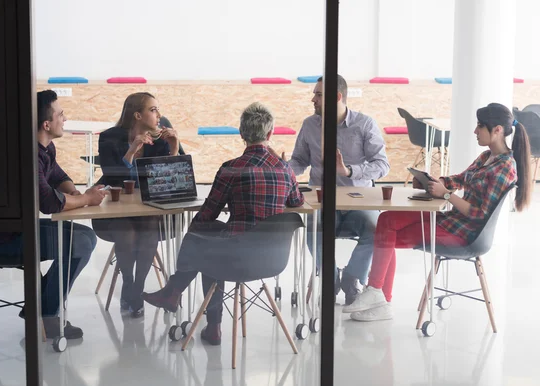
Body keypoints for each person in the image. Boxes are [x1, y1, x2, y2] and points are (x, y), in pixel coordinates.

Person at [344, 103, 532, 321]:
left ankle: (377, 293)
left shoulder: (505, 168)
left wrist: (445, 195)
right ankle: (379, 296)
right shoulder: (485, 157)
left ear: (497, 130)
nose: (475, 131)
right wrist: (435, 182)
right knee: (387, 219)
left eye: (480, 126)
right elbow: (460, 179)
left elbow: (479, 214)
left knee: (387, 233)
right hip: (452, 220)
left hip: (466, 234)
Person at [142, 102, 304, 345]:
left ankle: (207, 319)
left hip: (235, 257)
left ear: (241, 134)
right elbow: (296, 201)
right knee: (211, 241)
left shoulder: (231, 169)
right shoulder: (285, 169)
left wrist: (191, 235)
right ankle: (174, 293)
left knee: (206, 240)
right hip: (272, 258)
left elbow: (208, 214)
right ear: (270, 134)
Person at [0, 90, 106, 339]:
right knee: (80, 242)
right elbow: (49, 203)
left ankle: (39, 310)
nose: (65, 119)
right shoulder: (27, 155)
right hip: (2, 239)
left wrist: (75, 192)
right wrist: (86, 200)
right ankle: (47, 315)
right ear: (46, 124)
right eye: (61, 114)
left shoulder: (43, 147)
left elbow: (57, 176)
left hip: (19, 226)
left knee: (87, 238)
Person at [287, 75, 390, 305]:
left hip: (359, 203)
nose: (313, 99)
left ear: (337, 97)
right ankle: (330, 279)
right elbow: (300, 161)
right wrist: (283, 169)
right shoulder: (309, 125)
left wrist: (349, 172)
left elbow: (382, 165)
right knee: (314, 228)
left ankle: (352, 279)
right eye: (315, 93)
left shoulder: (364, 124)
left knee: (377, 230)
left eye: (319, 94)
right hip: (324, 202)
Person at [92, 92, 183, 317]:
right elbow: (112, 177)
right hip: (118, 209)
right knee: (128, 232)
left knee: (149, 225)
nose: (159, 115)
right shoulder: (109, 138)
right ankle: (129, 282)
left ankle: (137, 287)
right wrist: (131, 150)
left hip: (149, 209)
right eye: (153, 110)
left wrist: (174, 149)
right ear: (137, 115)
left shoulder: (161, 139)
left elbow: (172, 179)